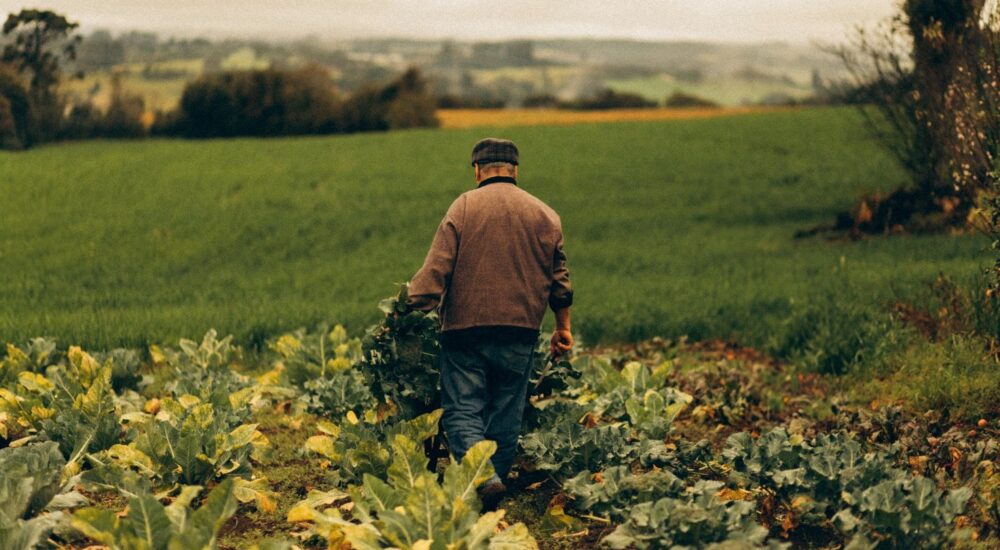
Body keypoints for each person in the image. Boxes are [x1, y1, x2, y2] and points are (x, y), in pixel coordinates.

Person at [406, 137, 574, 508]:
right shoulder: (545, 214)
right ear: (515, 170)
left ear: (477, 170)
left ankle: (483, 478)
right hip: (520, 331)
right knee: (506, 412)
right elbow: (560, 281)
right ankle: (491, 491)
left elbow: (435, 272)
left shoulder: (464, 206)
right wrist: (563, 327)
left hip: (464, 331)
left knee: (463, 409)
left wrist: (405, 309)